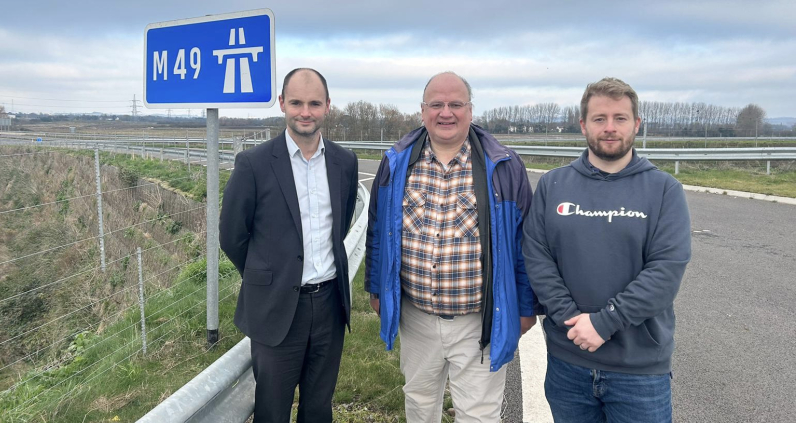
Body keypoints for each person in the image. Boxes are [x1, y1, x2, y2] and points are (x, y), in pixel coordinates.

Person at [364, 71, 539, 422]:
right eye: (437, 104)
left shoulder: (503, 166)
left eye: (456, 104)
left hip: (480, 321)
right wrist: (375, 287)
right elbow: (378, 231)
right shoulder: (397, 161)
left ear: (470, 111)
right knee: (419, 406)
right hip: (416, 319)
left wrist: (526, 306)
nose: (446, 112)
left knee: (478, 416)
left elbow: (525, 244)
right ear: (423, 110)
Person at [522, 77, 692, 423]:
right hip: (568, 363)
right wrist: (573, 320)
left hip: (639, 372)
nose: (610, 128)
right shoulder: (553, 185)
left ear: (636, 124)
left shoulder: (664, 190)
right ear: (583, 125)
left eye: (620, 118)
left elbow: (666, 270)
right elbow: (538, 258)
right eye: (600, 119)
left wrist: (604, 323)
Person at [219, 68, 359, 423]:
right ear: (282, 104)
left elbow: (338, 227)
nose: (305, 112)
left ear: (328, 106)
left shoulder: (345, 162)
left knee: (318, 408)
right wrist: (267, 276)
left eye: (314, 103)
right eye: (296, 102)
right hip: (276, 308)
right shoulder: (253, 164)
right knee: (272, 411)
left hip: (329, 306)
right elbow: (233, 236)